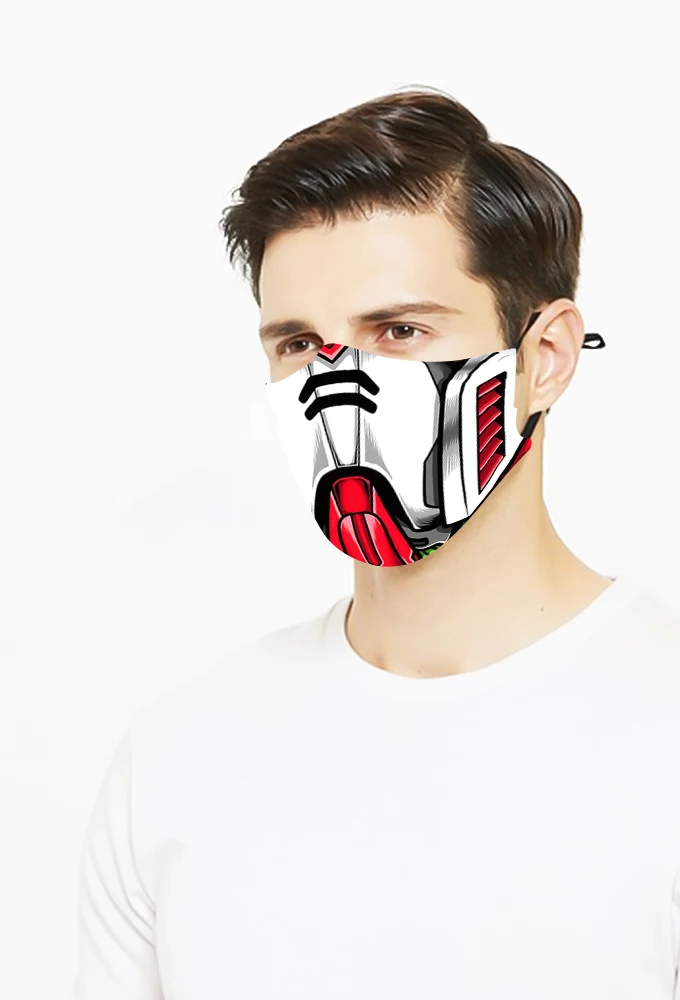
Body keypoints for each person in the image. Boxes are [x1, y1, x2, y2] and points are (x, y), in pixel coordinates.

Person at [72, 87, 680, 999]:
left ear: (545, 358)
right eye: (298, 343)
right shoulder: (172, 763)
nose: (338, 383)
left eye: (400, 331)